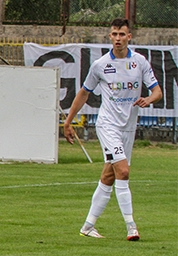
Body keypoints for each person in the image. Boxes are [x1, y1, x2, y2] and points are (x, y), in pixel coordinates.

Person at [64, 18, 162, 241]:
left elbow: (157, 92)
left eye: (122, 34)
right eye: (114, 34)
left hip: (128, 127)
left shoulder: (140, 62)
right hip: (107, 125)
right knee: (124, 171)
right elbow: (84, 92)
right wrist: (68, 121)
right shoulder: (100, 65)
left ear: (130, 37)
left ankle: (88, 226)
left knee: (109, 175)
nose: (118, 38)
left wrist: (148, 99)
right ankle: (131, 226)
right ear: (110, 37)